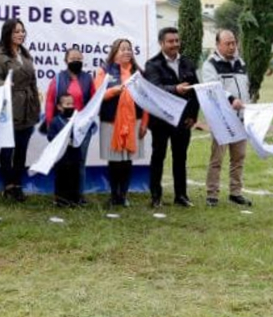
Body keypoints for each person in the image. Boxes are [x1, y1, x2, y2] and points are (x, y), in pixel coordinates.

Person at [143, 26, 200, 207]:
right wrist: (175, 89)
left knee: (180, 158)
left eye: (177, 40)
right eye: (171, 41)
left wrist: (193, 115)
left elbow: (195, 91)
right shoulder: (152, 64)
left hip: (183, 120)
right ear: (161, 43)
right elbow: (154, 89)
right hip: (161, 120)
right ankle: (156, 197)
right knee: (158, 157)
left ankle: (181, 196)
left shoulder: (188, 63)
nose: (175, 44)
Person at [0, 18, 41, 203]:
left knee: (21, 150)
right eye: (16, 31)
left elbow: (33, 83)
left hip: (27, 108)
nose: (21, 34)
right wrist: (3, 84)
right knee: (7, 151)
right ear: (8, 34)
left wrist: (36, 106)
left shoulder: (26, 55)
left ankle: (17, 184)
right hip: (8, 110)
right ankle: (8, 186)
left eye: (22, 31)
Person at [200, 29, 253, 207]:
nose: (232, 47)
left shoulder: (241, 62)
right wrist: (231, 99)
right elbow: (213, 89)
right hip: (221, 120)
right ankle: (212, 194)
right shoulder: (210, 65)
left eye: (234, 43)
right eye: (227, 44)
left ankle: (235, 192)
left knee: (239, 158)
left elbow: (245, 87)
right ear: (218, 45)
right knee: (217, 159)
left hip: (240, 118)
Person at [44, 47, 99, 206]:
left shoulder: (88, 79)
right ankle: (61, 197)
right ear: (66, 60)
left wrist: (89, 121)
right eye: (73, 58)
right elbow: (49, 101)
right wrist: (49, 124)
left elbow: (94, 102)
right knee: (62, 162)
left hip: (82, 129)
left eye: (79, 59)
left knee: (79, 162)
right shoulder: (58, 79)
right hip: (61, 128)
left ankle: (78, 196)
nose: (76, 61)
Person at [99, 38, 149, 207]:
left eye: (129, 49)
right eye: (123, 49)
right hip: (111, 123)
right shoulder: (104, 71)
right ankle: (114, 195)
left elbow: (145, 100)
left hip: (134, 122)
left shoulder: (138, 72)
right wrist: (114, 91)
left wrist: (144, 124)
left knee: (127, 160)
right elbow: (99, 95)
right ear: (115, 52)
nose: (127, 52)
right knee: (114, 160)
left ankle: (124, 196)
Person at [48, 93, 91, 207]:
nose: (70, 106)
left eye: (72, 104)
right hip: (61, 156)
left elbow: (81, 133)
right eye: (67, 104)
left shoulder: (77, 120)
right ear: (59, 107)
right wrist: (62, 140)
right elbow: (50, 137)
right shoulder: (55, 121)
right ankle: (61, 200)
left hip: (75, 154)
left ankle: (75, 199)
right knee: (62, 177)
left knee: (75, 176)